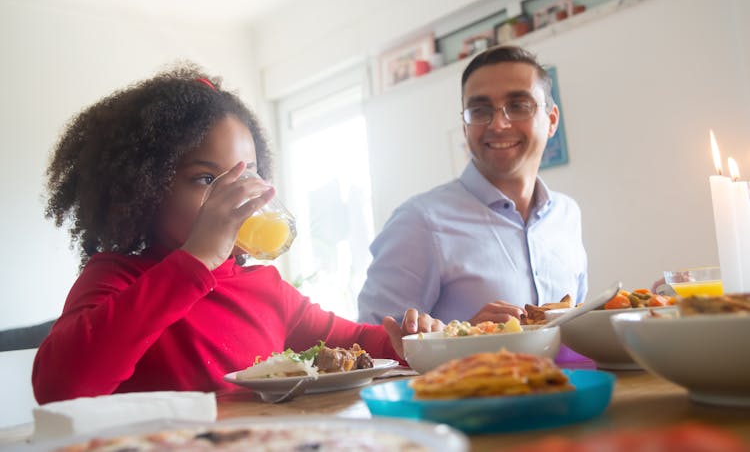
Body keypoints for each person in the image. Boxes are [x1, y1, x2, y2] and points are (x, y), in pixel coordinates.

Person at [33, 64, 442, 404]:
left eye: (245, 177)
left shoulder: (265, 288)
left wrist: (411, 342)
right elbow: (59, 388)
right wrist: (194, 262)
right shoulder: (116, 277)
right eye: (206, 178)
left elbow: (356, 342)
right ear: (144, 188)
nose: (232, 195)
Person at [358, 45, 587, 325]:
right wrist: (465, 338)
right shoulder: (418, 222)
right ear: (466, 126)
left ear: (551, 121)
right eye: (480, 110)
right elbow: (372, 349)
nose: (499, 124)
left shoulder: (567, 214)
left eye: (518, 106)